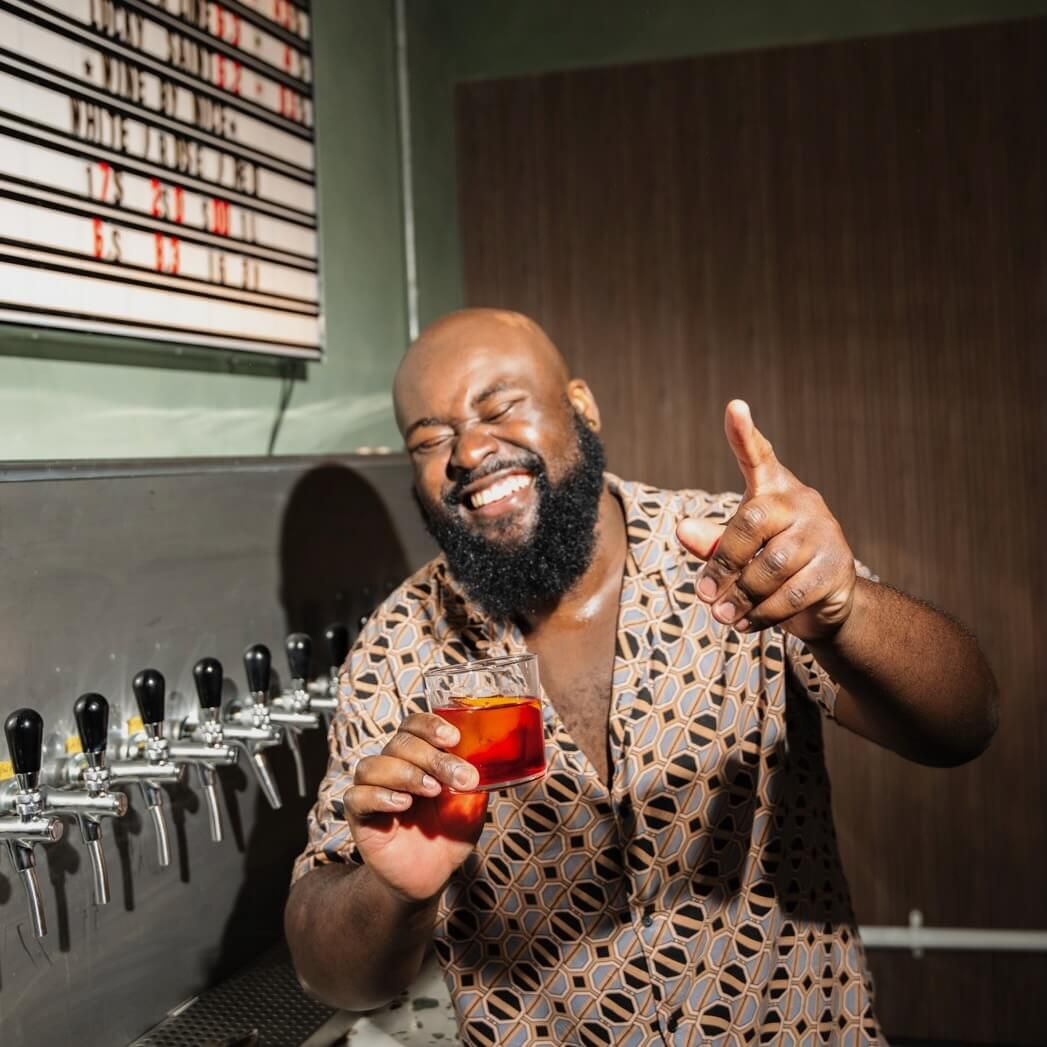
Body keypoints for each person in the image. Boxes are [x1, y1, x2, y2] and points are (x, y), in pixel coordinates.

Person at [285, 309, 998, 1045]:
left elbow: (962, 724)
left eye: (499, 406)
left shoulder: (735, 552)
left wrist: (845, 606)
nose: (468, 449)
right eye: (430, 440)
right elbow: (331, 975)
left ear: (581, 406)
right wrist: (394, 891)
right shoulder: (398, 643)